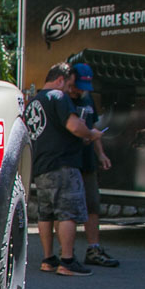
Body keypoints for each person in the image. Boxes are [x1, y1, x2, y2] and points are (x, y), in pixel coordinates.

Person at [24, 62, 104, 276]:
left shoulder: (34, 101)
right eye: (69, 84)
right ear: (60, 80)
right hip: (62, 165)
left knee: (46, 214)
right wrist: (91, 134)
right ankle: (67, 261)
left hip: (41, 166)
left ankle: (48, 259)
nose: (71, 89)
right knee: (67, 214)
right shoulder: (59, 97)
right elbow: (74, 126)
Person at [68, 63, 120, 267]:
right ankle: (66, 253)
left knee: (93, 204)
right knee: (66, 209)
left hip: (88, 159)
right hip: (69, 160)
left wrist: (101, 154)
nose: (80, 90)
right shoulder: (63, 100)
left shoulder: (87, 99)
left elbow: (94, 128)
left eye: (84, 87)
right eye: (78, 85)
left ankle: (94, 248)